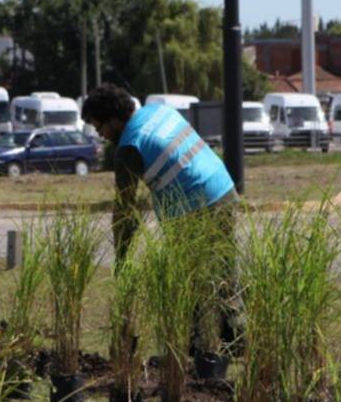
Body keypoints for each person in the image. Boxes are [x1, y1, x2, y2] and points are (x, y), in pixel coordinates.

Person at [79, 84, 241, 347]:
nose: (101, 135)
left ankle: (194, 343)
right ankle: (236, 337)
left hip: (192, 207)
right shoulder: (159, 110)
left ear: (115, 119)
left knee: (186, 276)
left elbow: (124, 211)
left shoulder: (129, 147)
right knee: (225, 267)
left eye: (100, 128)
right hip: (223, 188)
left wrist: (122, 259)